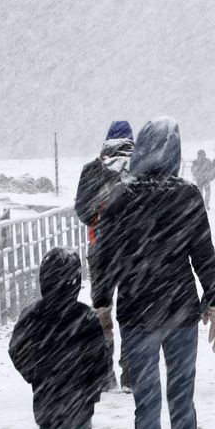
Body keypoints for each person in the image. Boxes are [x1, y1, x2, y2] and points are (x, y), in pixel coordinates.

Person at [98, 117, 215, 429]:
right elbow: (203, 254)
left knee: (147, 401)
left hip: (136, 312)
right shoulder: (187, 195)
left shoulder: (120, 196)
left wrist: (101, 304)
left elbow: (105, 256)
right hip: (181, 312)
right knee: (182, 399)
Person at [9, 247, 110, 429]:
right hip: (79, 405)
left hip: (47, 402)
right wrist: (93, 389)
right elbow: (101, 359)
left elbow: (16, 349)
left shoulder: (32, 316)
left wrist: (34, 373)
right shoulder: (85, 318)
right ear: (75, 282)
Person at [74, 120, 133, 390]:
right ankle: (131, 372)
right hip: (135, 250)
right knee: (132, 310)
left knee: (101, 310)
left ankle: (105, 373)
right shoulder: (140, 167)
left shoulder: (92, 170)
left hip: (100, 249)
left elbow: (81, 209)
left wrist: (99, 218)